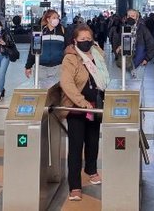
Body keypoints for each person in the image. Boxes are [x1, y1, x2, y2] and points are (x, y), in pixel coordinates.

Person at [59, 25, 109, 201]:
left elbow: (103, 77)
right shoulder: (70, 59)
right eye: (82, 40)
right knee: (75, 146)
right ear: (75, 41)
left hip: (96, 105)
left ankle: (91, 170)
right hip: (77, 108)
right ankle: (74, 186)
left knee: (93, 140)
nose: (86, 42)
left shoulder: (98, 54)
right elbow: (67, 84)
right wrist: (82, 102)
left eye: (89, 39)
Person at [112, 9, 154, 79]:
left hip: (139, 60)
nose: (130, 17)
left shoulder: (142, 29)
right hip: (126, 60)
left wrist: (147, 58)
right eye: (128, 16)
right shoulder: (124, 28)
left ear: (137, 18)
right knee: (126, 81)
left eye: (133, 16)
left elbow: (152, 44)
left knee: (137, 83)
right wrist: (118, 48)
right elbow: (117, 41)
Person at [25, 9, 67, 81]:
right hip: (41, 68)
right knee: (42, 90)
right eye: (54, 18)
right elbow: (33, 49)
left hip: (58, 67)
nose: (56, 20)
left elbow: (66, 48)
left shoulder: (62, 31)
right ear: (48, 19)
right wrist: (28, 66)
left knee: (56, 91)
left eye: (57, 18)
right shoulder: (39, 31)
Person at [0, 19, 17, 101]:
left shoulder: (6, 34)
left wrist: (5, 43)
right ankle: (2, 89)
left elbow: (12, 43)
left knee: (1, 74)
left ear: (1, 27)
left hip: (5, 55)